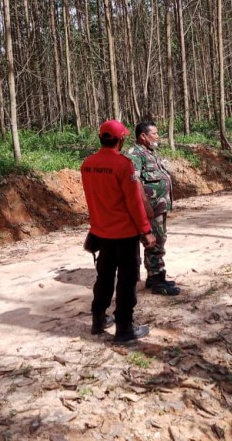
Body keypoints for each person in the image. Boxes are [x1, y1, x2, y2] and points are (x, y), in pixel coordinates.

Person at [81, 120, 157, 343]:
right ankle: (124, 327)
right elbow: (134, 203)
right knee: (127, 279)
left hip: (101, 233)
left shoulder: (87, 164)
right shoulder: (123, 165)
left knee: (104, 277)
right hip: (124, 235)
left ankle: (98, 319)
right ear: (121, 139)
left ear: (100, 138)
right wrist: (146, 231)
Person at [126, 121, 181, 296]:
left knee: (159, 240)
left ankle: (154, 276)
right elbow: (134, 183)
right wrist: (145, 208)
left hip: (159, 207)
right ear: (143, 136)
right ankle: (158, 281)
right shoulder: (135, 154)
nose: (157, 137)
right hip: (149, 209)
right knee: (154, 242)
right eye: (154, 133)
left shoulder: (150, 152)